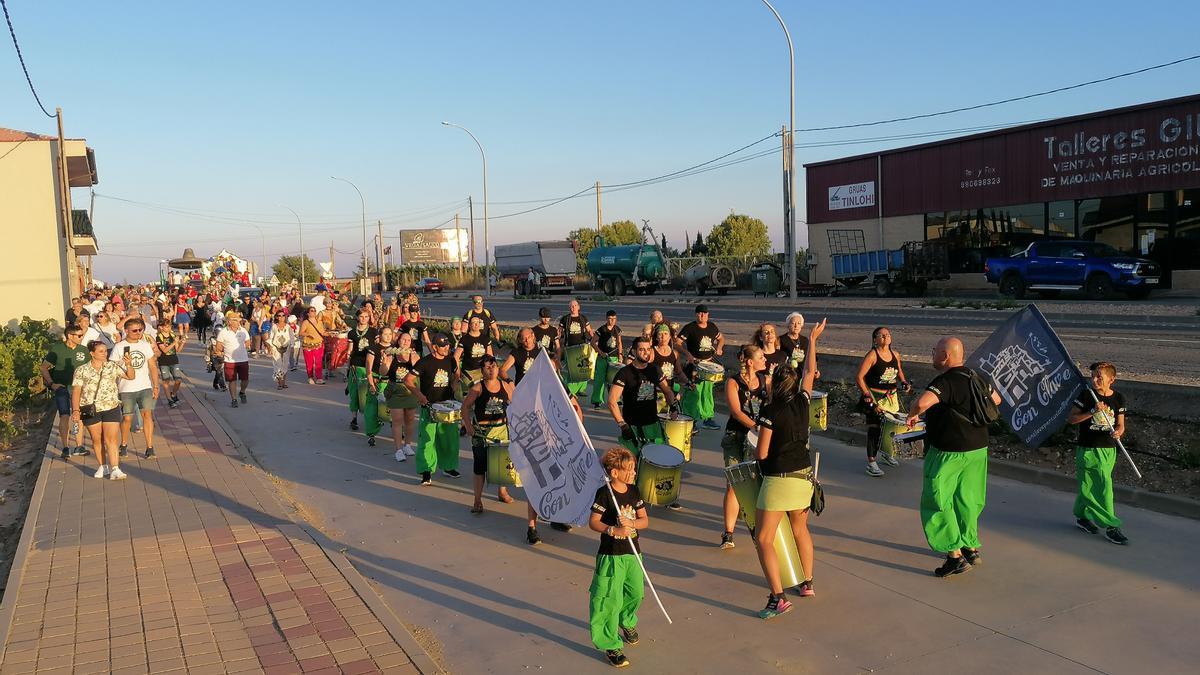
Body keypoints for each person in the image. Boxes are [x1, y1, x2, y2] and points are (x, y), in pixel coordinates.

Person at [905, 336, 1002, 578]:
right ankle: (970, 546)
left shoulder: (945, 381)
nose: (932, 354)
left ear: (946, 356)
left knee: (937, 499)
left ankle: (954, 555)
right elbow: (997, 399)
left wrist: (913, 413)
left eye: (935, 351)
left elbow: (924, 401)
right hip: (978, 449)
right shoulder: (976, 375)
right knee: (968, 498)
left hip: (949, 451)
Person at [753, 318, 826, 619]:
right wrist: (813, 339)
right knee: (800, 529)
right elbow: (810, 371)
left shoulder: (770, 410)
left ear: (774, 382)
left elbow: (762, 452)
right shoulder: (804, 401)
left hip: (779, 479)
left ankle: (777, 596)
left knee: (763, 539)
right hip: (804, 476)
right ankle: (807, 582)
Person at [587, 447, 649, 668]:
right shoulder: (604, 493)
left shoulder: (633, 491)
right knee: (608, 600)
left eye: (634, 468)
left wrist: (632, 524)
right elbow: (594, 521)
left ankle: (626, 621)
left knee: (636, 593)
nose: (633, 473)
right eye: (629, 469)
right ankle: (610, 644)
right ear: (614, 472)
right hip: (611, 555)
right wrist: (613, 530)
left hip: (633, 553)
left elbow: (644, 520)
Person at [1067, 362, 1129, 545]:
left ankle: (1081, 516)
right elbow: (1072, 419)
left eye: (1099, 377)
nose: (1094, 380)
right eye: (1093, 376)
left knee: (1089, 486)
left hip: (1109, 449)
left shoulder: (1119, 398)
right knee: (1103, 487)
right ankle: (1111, 526)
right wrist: (1092, 411)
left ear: (1112, 379)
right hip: (1088, 449)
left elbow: (1121, 424)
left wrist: (1119, 432)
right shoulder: (1086, 396)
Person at [719, 344, 769, 550]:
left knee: (756, 485)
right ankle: (728, 533)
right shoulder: (733, 382)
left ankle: (756, 529)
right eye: (761, 357)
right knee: (733, 484)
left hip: (758, 437)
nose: (765, 360)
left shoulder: (766, 381)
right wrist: (756, 425)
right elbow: (736, 411)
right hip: (736, 436)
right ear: (749, 362)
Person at [73, 341, 137, 478]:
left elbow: (130, 376)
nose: (105, 353)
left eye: (105, 351)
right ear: (92, 353)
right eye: (101, 351)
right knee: (97, 439)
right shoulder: (81, 370)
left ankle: (115, 468)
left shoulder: (112, 366)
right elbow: (76, 391)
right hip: (89, 408)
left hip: (111, 406)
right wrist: (76, 411)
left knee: (111, 438)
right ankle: (103, 467)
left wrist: (128, 364)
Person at [404, 334, 461, 485]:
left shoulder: (450, 360)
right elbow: (407, 380)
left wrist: (455, 385)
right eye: (443, 346)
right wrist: (420, 395)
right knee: (428, 440)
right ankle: (426, 471)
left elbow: (457, 374)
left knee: (450, 439)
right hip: (429, 407)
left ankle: (449, 467)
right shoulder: (424, 362)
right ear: (435, 347)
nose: (447, 348)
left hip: (447, 406)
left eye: (448, 345)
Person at [855, 326, 913, 476]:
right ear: (875, 340)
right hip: (875, 397)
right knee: (875, 428)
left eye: (887, 334)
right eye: (881, 335)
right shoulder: (872, 356)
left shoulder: (895, 354)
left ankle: (887, 453)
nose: (885, 336)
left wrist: (904, 382)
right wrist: (868, 398)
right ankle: (872, 462)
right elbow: (859, 377)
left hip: (891, 398)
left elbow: (898, 370)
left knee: (890, 428)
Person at [462, 355, 516, 512]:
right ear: (482, 371)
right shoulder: (477, 388)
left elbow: (516, 405)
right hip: (481, 433)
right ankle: (477, 500)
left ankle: (502, 491)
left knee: (503, 464)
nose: (491, 370)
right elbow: (465, 407)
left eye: (493, 366)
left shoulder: (506, 387)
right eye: (487, 367)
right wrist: (468, 426)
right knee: (480, 467)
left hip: (501, 430)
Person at [608, 336, 677, 456]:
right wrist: (622, 425)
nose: (646, 353)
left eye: (648, 349)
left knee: (659, 459)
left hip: (652, 424)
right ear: (634, 352)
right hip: (632, 426)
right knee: (634, 464)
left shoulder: (655, 370)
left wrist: (673, 407)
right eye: (642, 350)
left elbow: (667, 390)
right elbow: (612, 401)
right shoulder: (624, 373)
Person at [110, 317, 160, 459]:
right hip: (126, 388)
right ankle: (124, 444)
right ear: (126, 331)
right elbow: (112, 368)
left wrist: (155, 385)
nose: (138, 333)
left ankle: (150, 447)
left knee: (147, 415)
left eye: (140, 330)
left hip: (144, 386)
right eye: (135, 330)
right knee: (127, 418)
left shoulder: (144, 345)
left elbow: (152, 366)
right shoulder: (119, 347)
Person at [41, 324, 89, 459]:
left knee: (77, 415)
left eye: (82, 335)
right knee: (64, 416)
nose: (81, 337)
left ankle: (79, 446)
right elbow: (44, 367)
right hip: (61, 388)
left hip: (78, 389)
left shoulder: (84, 350)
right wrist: (52, 384)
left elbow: (89, 368)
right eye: (79, 336)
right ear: (69, 336)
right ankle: (65, 447)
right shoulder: (57, 349)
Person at [371, 330, 420, 461]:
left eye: (409, 340)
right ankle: (398, 449)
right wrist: (384, 363)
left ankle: (407, 445)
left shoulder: (414, 355)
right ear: (398, 341)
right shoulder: (391, 354)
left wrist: (416, 362)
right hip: (395, 390)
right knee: (397, 421)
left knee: (410, 420)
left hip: (410, 391)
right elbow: (383, 373)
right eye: (403, 339)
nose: (406, 342)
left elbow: (419, 373)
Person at [677, 304, 724, 430]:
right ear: (695, 314)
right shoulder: (689, 328)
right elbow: (677, 343)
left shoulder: (712, 327)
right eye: (698, 313)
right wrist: (687, 354)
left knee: (707, 393)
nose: (701, 315)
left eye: (704, 313)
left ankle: (708, 418)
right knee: (693, 393)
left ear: (708, 315)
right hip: (694, 365)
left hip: (708, 365)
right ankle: (690, 420)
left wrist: (719, 348)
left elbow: (721, 339)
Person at [346, 309, 378, 432]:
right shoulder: (352, 333)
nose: (364, 318)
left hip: (370, 366)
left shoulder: (374, 332)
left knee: (369, 393)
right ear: (358, 317)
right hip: (356, 365)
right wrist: (348, 367)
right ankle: (354, 419)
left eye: (366, 316)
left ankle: (371, 418)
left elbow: (377, 347)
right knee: (354, 393)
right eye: (362, 316)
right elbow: (350, 350)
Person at [214, 311, 252, 408]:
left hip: (243, 359)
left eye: (238, 319)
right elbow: (218, 346)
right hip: (229, 360)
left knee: (245, 380)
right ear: (229, 322)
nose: (237, 321)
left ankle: (242, 392)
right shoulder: (223, 332)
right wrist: (221, 352)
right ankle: (234, 399)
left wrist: (243, 347)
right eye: (235, 319)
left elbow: (248, 342)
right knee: (232, 380)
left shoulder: (243, 330)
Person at [558, 300, 594, 397]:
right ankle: (569, 389)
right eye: (571, 306)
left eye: (574, 306)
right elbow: (559, 332)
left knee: (584, 368)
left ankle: (581, 389)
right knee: (572, 370)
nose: (572, 308)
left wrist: (594, 340)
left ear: (578, 307)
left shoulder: (583, 318)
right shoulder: (565, 319)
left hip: (582, 347)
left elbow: (589, 330)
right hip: (570, 348)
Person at [590, 310, 623, 409]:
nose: (611, 321)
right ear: (606, 318)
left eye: (613, 319)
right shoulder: (601, 329)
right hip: (602, 357)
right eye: (609, 318)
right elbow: (593, 342)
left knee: (614, 379)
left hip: (614, 357)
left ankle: (616, 399)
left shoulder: (617, 329)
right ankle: (597, 401)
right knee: (599, 380)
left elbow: (619, 343)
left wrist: (620, 355)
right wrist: (600, 352)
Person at [455, 315, 493, 397]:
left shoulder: (485, 339)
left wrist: (491, 371)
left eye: (478, 322)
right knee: (470, 395)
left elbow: (490, 356)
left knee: (484, 394)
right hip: (469, 371)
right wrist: (457, 373)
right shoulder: (464, 339)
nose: (476, 324)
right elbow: (456, 357)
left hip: (482, 371)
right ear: (469, 325)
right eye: (474, 322)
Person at [154, 321, 185, 408]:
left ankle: (173, 394)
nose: (168, 328)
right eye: (166, 327)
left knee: (178, 380)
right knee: (166, 381)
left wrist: (182, 343)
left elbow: (177, 350)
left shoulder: (173, 336)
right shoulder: (159, 337)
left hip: (174, 360)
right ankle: (169, 400)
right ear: (162, 327)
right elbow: (164, 350)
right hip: (164, 361)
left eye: (169, 327)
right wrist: (174, 343)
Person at [299, 306, 327, 384]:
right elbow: (301, 332)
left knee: (318, 362)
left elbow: (322, 332)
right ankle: (310, 377)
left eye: (315, 311)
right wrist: (308, 334)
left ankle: (319, 378)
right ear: (308, 313)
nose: (314, 312)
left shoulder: (320, 321)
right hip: (308, 345)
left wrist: (330, 334)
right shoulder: (306, 322)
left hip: (319, 344)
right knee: (309, 362)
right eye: (312, 311)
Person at [266, 310, 293, 389]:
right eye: (279, 315)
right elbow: (271, 337)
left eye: (283, 315)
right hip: (276, 347)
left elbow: (291, 338)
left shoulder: (288, 327)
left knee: (285, 365)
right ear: (277, 317)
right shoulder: (274, 326)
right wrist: (270, 347)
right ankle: (280, 383)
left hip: (286, 348)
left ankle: (284, 382)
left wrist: (292, 347)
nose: (281, 317)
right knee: (277, 365)